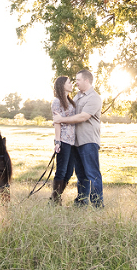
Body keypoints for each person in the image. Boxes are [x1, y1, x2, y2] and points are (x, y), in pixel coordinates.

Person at [53, 69, 103, 207]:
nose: (76, 83)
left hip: (88, 141)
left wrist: (61, 119)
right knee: (81, 175)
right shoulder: (77, 97)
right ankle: (81, 202)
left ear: (87, 80)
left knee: (93, 174)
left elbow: (83, 116)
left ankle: (98, 204)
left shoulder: (94, 97)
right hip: (76, 142)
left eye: (78, 80)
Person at [50, 76, 76, 204]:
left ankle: (55, 197)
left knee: (69, 171)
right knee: (61, 170)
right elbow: (57, 123)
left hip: (73, 142)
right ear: (62, 85)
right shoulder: (56, 101)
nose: (72, 84)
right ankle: (55, 200)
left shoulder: (70, 101)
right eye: (69, 83)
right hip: (64, 140)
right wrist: (57, 141)